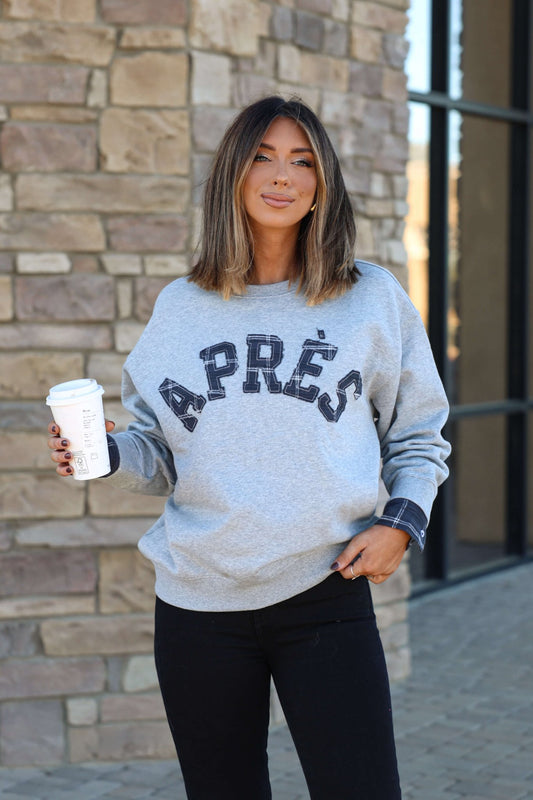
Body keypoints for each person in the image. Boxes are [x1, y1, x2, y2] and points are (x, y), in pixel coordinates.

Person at [48, 96, 450, 799]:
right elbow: (158, 451)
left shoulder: (369, 298)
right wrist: (112, 452)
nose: (282, 176)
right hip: (198, 603)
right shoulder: (181, 307)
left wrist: (401, 524)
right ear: (232, 174)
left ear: (322, 182)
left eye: (301, 161)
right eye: (263, 156)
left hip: (325, 587)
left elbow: (417, 435)